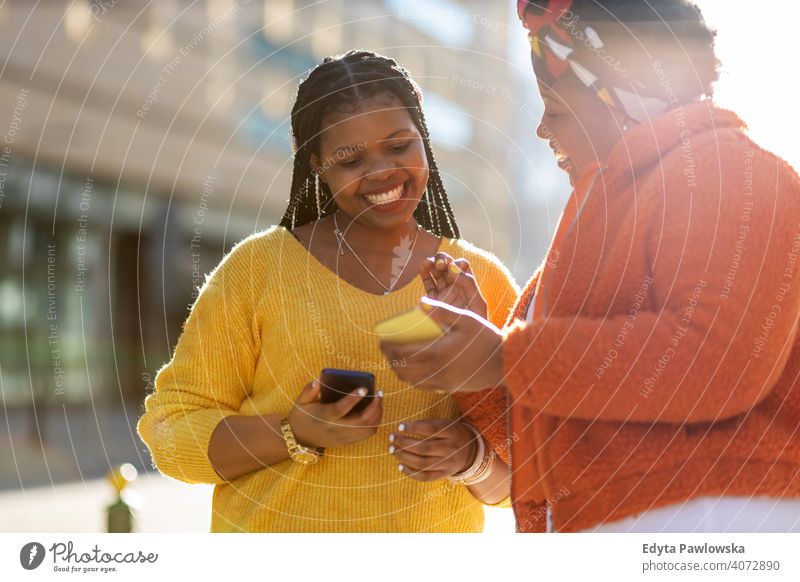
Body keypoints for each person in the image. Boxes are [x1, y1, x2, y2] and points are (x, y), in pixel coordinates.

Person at [380, 0, 800, 532]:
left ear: (622, 96)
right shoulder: (579, 239)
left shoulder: (729, 169)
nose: (540, 129)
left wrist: (504, 359)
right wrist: (478, 351)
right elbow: (536, 428)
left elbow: (719, 360)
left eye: (554, 105)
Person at [137, 50, 518, 532]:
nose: (381, 171)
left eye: (400, 146)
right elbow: (170, 432)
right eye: (351, 158)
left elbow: (533, 471)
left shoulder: (480, 280)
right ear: (316, 163)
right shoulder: (257, 271)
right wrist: (294, 432)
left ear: (424, 139)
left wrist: (472, 458)